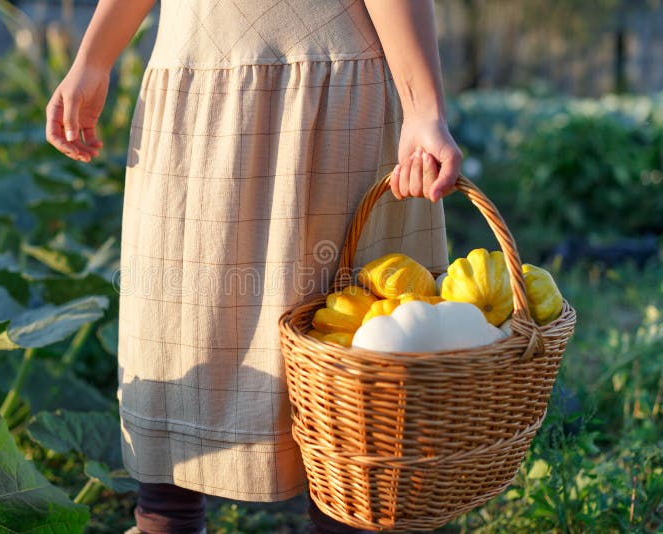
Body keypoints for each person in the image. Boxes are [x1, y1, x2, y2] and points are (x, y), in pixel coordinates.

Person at [46, 1, 462, 532]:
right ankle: (164, 522)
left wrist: (424, 108)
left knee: (343, 346)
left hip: (324, 87)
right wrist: (93, 60)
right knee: (177, 327)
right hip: (192, 81)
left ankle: (349, 512)